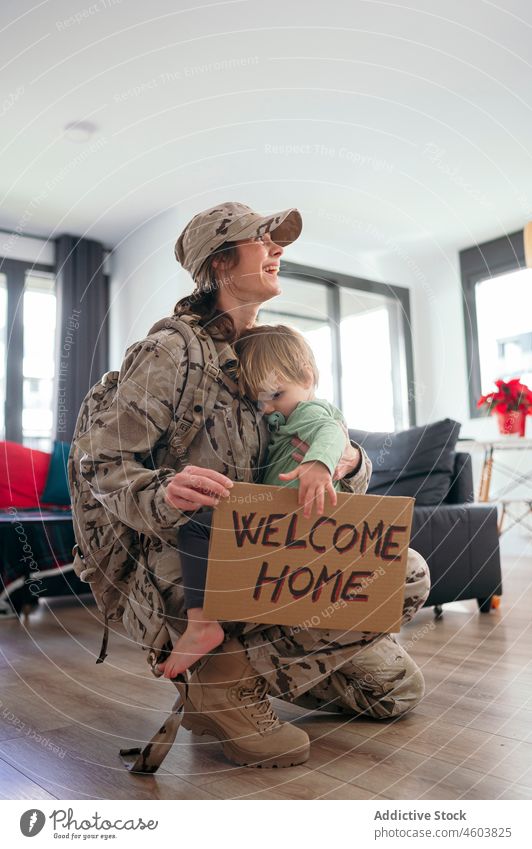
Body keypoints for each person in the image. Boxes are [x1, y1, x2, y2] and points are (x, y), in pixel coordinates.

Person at [75, 201, 430, 770]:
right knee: (404, 575)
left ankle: (228, 676)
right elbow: (100, 464)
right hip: (185, 562)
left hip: (267, 547)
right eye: (262, 240)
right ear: (219, 264)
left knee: (393, 687)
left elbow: (323, 430)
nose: (278, 250)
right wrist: (163, 491)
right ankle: (222, 678)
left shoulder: (269, 351)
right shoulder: (169, 353)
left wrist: (347, 461)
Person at [158, 324, 353, 678]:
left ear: (307, 377)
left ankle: (202, 624)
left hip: (283, 518)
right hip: (280, 522)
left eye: (275, 395)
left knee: (196, 532)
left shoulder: (310, 413)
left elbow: (330, 432)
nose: (266, 408)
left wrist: (319, 464)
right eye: (259, 400)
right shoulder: (285, 416)